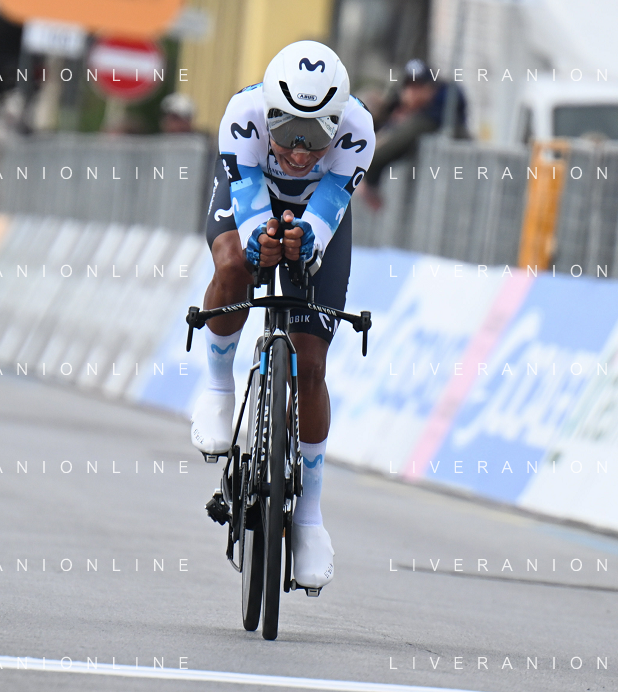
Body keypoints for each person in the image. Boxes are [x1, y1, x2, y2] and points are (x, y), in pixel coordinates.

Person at [194, 40, 374, 589]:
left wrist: (307, 241)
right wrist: (258, 242)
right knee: (233, 264)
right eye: (289, 130)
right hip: (254, 195)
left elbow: (328, 209)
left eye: (316, 135)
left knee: (311, 363)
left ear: (337, 123)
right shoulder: (241, 115)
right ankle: (218, 386)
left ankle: (310, 517)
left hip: (317, 209)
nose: (300, 150)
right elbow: (247, 200)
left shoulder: (360, 131)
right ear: (268, 113)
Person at [359, 58, 466, 211]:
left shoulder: (445, 100)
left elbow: (398, 139)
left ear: (430, 88)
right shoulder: (401, 108)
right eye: (409, 87)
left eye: (418, 87)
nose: (412, 93)